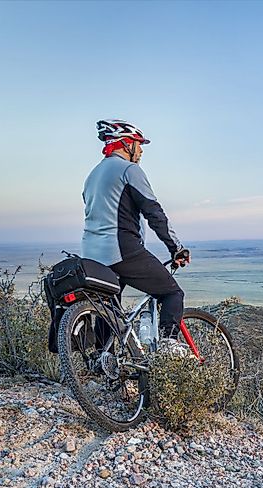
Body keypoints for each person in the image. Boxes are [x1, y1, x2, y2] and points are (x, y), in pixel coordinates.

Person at [81, 119, 190, 347]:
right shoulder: (130, 170)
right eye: (138, 144)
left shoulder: (92, 175)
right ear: (126, 144)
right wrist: (176, 248)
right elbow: (153, 212)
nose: (140, 151)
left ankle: (103, 362)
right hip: (121, 248)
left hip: (90, 254)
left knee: (109, 309)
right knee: (172, 294)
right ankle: (169, 350)